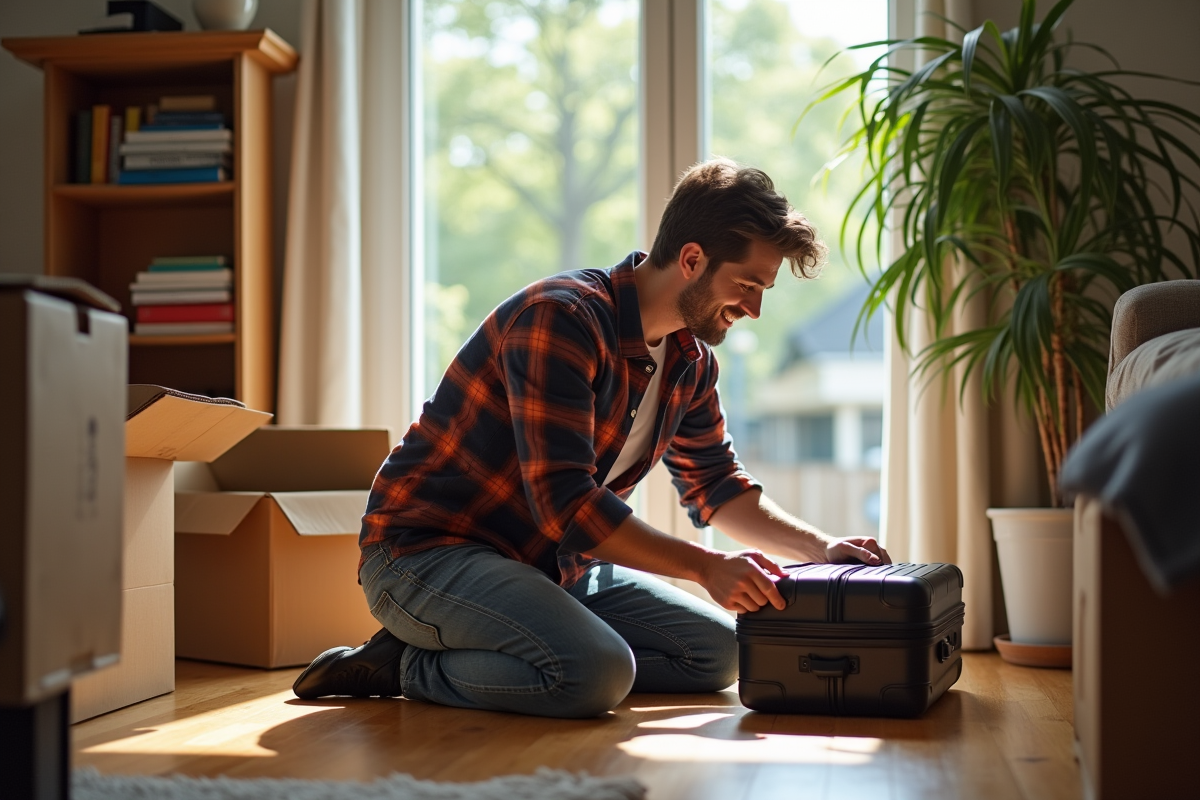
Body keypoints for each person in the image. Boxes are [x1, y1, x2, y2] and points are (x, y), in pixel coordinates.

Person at [293, 158, 891, 717]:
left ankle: (512, 640)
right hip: (428, 554)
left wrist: (823, 550)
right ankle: (401, 666)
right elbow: (566, 504)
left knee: (720, 654)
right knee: (594, 673)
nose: (755, 308)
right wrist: (708, 569)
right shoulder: (562, 318)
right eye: (747, 285)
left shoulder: (690, 361)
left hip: (553, 566)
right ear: (691, 259)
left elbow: (717, 488)